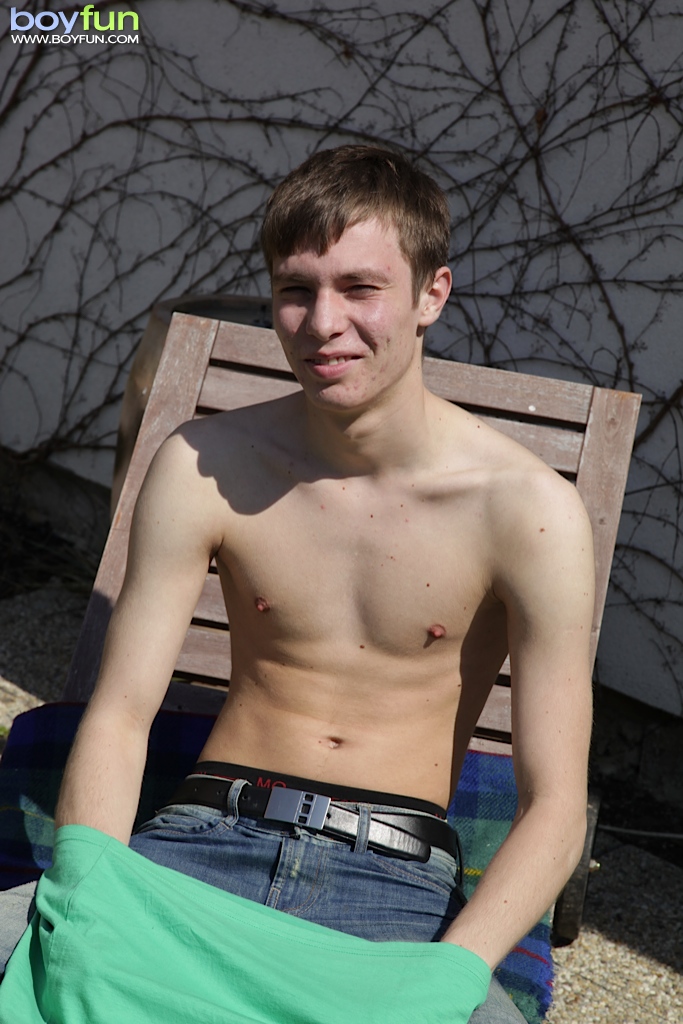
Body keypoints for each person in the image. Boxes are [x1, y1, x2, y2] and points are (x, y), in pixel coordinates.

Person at [0, 146, 594, 1023]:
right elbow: (121, 713)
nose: (322, 323)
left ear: (431, 294)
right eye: (295, 289)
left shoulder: (527, 512)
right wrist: (87, 879)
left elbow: (555, 806)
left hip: (394, 896)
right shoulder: (207, 464)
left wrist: (454, 969)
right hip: (197, 847)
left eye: (360, 289)